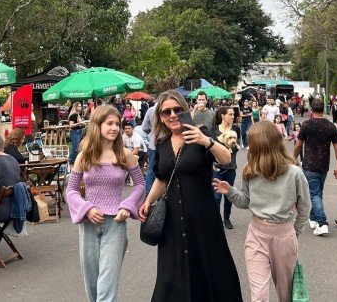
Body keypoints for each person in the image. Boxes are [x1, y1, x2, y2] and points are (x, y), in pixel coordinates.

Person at [138, 90, 241, 302]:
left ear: (186, 110)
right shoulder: (162, 143)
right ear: (161, 117)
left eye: (177, 110)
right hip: (172, 221)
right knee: (171, 274)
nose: (173, 115)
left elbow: (225, 158)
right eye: (166, 112)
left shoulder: (201, 133)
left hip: (202, 218)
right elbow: (162, 178)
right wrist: (148, 200)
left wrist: (206, 141)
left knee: (208, 270)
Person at [214, 121, 310, 302]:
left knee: (286, 294)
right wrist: (231, 192)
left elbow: (305, 205)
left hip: (284, 236)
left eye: (252, 143)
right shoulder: (250, 170)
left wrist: (295, 231)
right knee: (258, 296)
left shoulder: (294, 173)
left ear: (261, 145)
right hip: (256, 234)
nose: (248, 147)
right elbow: (246, 202)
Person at [67, 105, 144, 302]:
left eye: (117, 124)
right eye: (109, 123)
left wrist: (127, 206)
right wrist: (87, 208)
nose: (115, 128)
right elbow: (71, 190)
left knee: (106, 285)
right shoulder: (84, 156)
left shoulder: (124, 155)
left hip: (115, 225)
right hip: (89, 225)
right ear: (97, 125)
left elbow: (140, 185)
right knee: (92, 283)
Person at [293, 97, 337, 236]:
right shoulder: (330, 126)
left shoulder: (306, 125)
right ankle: (313, 218)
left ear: (312, 110)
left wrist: (293, 159)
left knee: (314, 193)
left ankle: (322, 222)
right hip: (323, 164)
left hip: (309, 164)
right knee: (317, 192)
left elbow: (298, 145)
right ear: (323, 109)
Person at [211, 106, 240, 230]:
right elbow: (210, 147)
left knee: (229, 194)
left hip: (231, 167)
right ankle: (216, 219)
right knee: (216, 196)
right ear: (223, 116)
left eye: (233, 114)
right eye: (230, 114)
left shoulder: (235, 129)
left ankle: (227, 218)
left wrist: (230, 146)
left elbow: (236, 148)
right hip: (216, 168)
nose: (233, 117)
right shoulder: (214, 130)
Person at [141, 104, 158, 196]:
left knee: (151, 170)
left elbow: (144, 128)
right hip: (167, 143)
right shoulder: (170, 108)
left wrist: (152, 133)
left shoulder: (151, 110)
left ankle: (148, 195)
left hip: (153, 143)